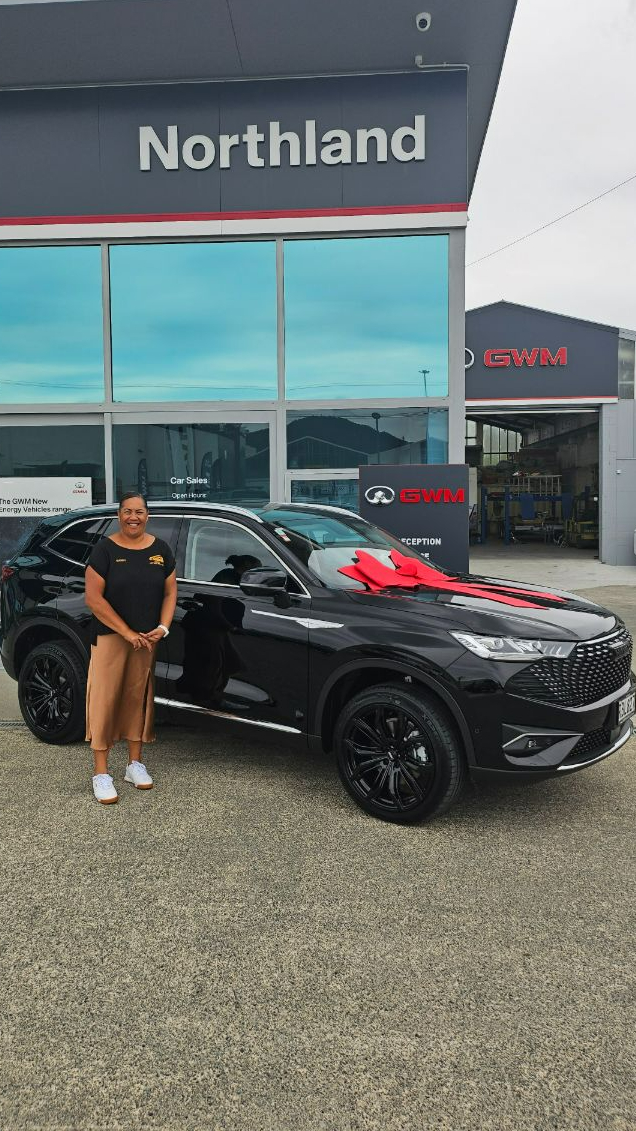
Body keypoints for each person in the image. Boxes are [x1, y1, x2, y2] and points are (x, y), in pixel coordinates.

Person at [84, 493, 177, 804]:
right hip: (111, 637)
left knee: (137, 697)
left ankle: (134, 764)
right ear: (119, 515)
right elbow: (93, 599)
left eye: (139, 512)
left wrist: (163, 627)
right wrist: (125, 632)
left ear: (147, 515)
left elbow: (170, 592)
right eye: (127, 511)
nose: (133, 517)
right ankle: (101, 773)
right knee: (105, 698)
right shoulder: (105, 550)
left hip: (146, 639)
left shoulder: (161, 550)